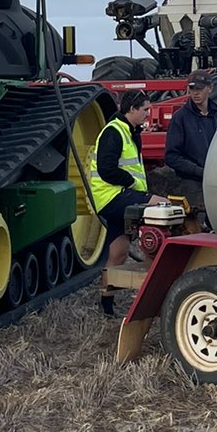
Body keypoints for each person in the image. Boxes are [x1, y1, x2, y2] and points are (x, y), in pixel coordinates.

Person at [85, 91, 150, 314]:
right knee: (161, 209)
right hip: (113, 196)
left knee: (119, 252)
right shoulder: (113, 132)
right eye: (145, 110)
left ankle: (107, 308)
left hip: (119, 195)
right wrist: (131, 182)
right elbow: (106, 169)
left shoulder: (130, 131)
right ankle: (157, 282)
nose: (147, 115)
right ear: (132, 109)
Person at [162, 74, 217, 200]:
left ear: (210, 88)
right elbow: (171, 156)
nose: (195, 93)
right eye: (192, 89)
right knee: (197, 219)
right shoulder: (180, 118)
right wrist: (197, 171)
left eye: (199, 89)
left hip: (216, 182)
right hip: (192, 184)